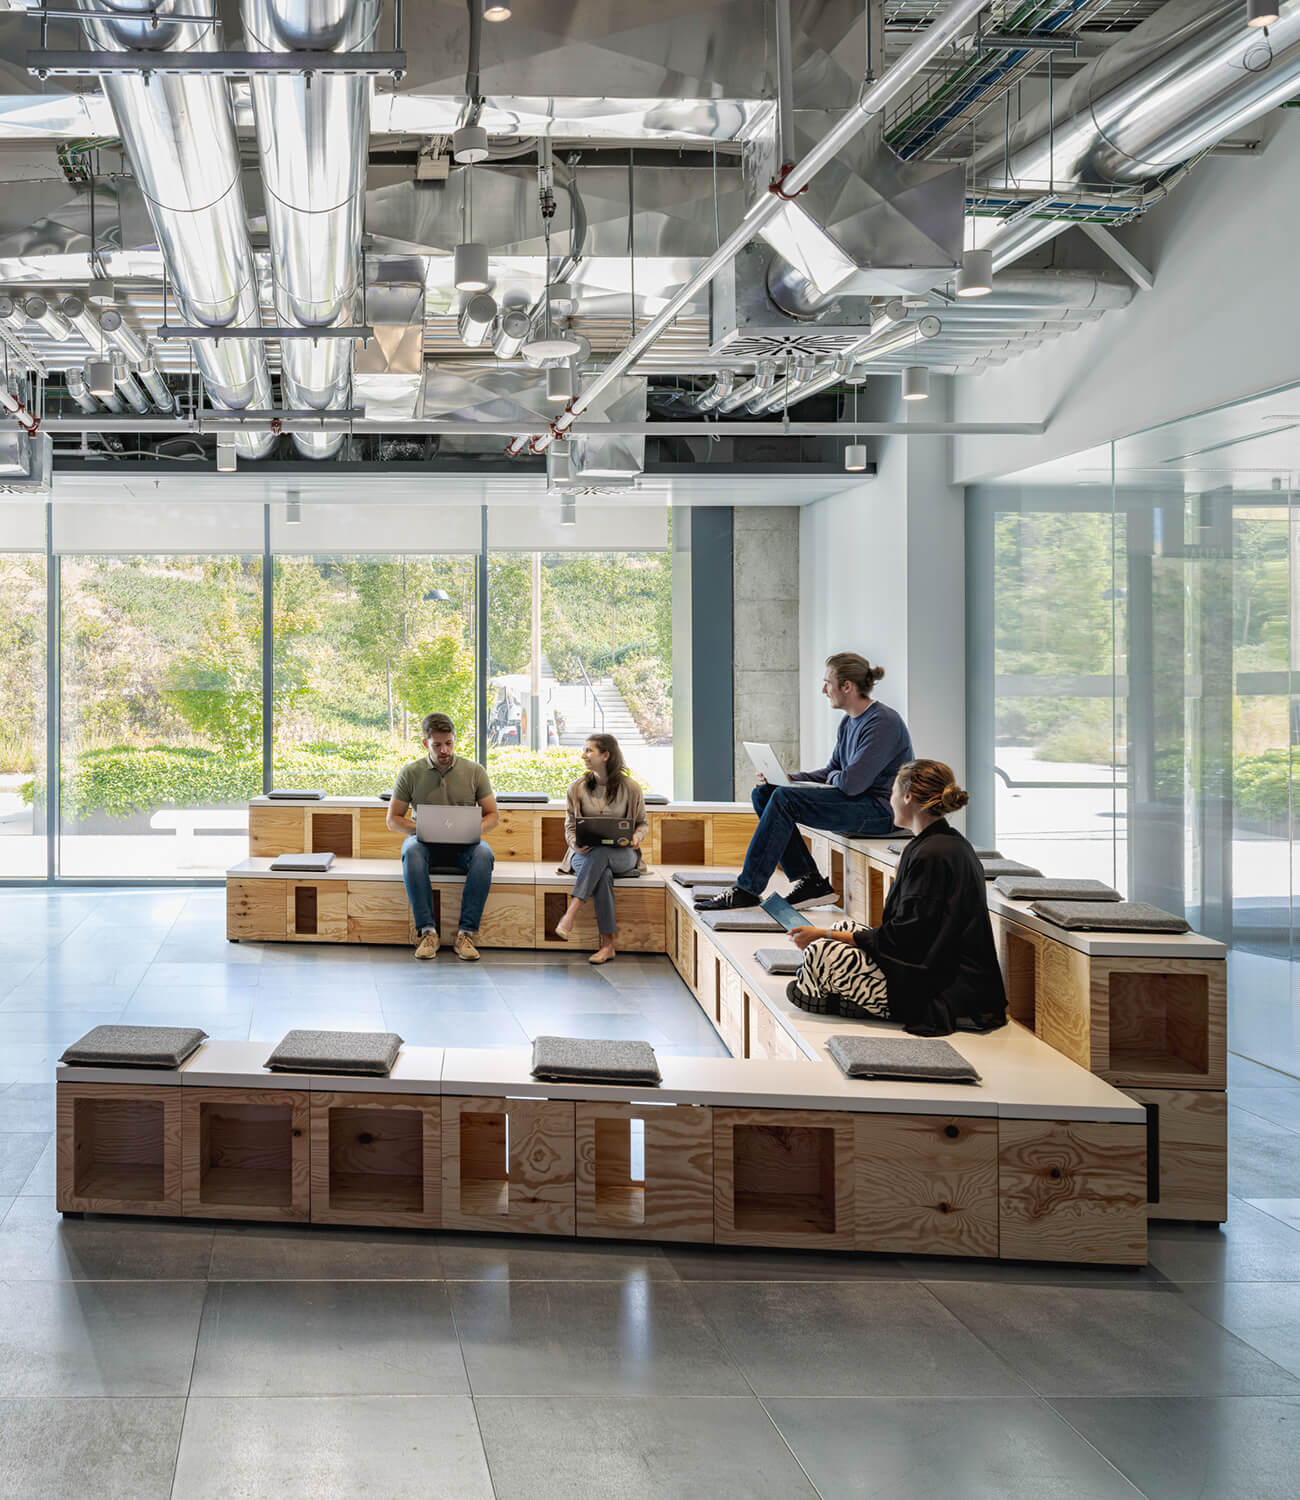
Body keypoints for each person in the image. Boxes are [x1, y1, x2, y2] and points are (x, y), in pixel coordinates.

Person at [786, 759, 1007, 1037]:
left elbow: (902, 937)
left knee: (823, 950)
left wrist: (823, 935)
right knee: (844, 928)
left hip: (937, 986)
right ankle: (832, 996)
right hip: (942, 969)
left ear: (907, 796)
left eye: (891, 793)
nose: (889, 800)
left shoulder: (930, 854)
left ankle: (831, 996)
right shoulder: (942, 843)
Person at [697, 652, 913, 912]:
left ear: (847, 686)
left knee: (784, 799)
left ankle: (747, 888)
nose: (824, 689)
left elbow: (851, 783)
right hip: (859, 803)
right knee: (766, 794)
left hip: (881, 812)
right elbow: (834, 771)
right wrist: (788, 778)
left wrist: (836, 776)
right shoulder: (849, 722)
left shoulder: (883, 723)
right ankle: (810, 882)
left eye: (828, 683)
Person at [388, 712, 499, 962]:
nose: (444, 749)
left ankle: (466, 934)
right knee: (411, 851)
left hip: (465, 845)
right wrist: (425, 829)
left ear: (454, 740)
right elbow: (393, 819)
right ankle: (427, 933)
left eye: (448, 743)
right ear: (425, 743)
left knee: (484, 854)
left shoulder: (474, 771)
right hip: (425, 842)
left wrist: (470, 829)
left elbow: (492, 815)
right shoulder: (410, 773)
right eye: (437, 744)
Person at [554, 733, 649, 965]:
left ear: (606, 755)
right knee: (601, 870)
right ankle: (608, 945)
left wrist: (636, 837)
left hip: (622, 855)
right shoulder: (576, 788)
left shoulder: (631, 788)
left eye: (589, 751)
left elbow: (642, 823)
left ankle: (572, 911)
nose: (583, 755)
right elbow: (569, 826)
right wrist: (575, 843)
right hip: (583, 855)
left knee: (603, 853)